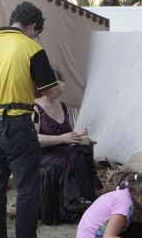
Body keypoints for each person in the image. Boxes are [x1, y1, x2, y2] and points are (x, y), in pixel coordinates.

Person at [0, 1, 60, 238]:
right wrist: (57, 85)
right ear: (33, 26)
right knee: (27, 188)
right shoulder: (31, 47)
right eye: (37, 32)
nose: (36, 37)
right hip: (17, 124)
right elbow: (51, 92)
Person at [34, 72, 102, 224]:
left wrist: (77, 135)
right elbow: (34, 138)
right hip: (45, 155)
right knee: (74, 154)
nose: (58, 95)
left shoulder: (63, 106)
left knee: (83, 149)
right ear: (45, 88)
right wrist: (62, 138)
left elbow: (66, 133)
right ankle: (74, 200)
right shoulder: (35, 108)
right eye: (55, 90)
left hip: (65, 151)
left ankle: (85, 196)